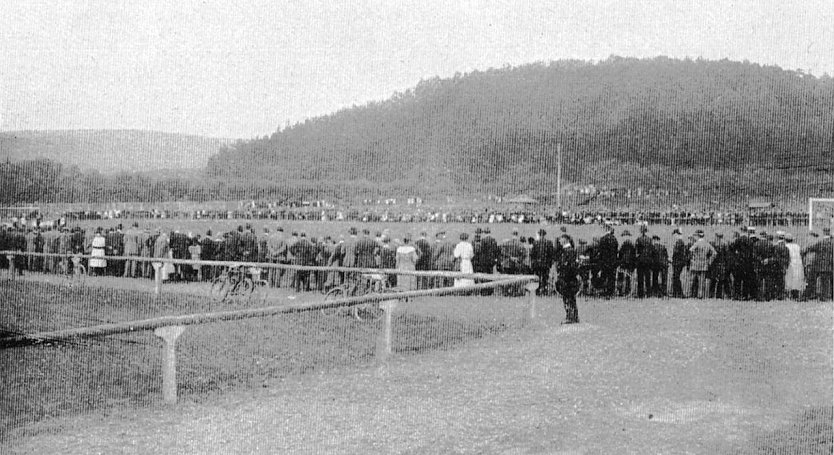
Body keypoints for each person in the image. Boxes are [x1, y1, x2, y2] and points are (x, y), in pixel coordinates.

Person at [555, 234, 580, 324]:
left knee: (567, 298)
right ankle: (574, 316)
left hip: (567, 278)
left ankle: (570, 316)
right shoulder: (570, 251)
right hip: (569, 278)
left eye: (561, 240)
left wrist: (563, 274)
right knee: (571, 298)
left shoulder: (568, 251)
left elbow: (568, 266)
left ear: (565, 240)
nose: (560, 242)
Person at [688, 229, 716, 299]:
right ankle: (700, 295)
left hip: (696, 264)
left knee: (692, 280)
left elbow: (690, 250)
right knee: (701, 281)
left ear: (698, 236)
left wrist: (693, 258)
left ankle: (690, 294)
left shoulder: (697, 243)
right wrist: (709, 261)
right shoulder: (707, 243)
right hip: (704, 264)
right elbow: (715, 253)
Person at [529, 229, 555, 296]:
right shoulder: (549, 243)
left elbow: (532, 254)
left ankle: (538, 291)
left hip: (537, 264)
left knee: (538, 277)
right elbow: (551, 254)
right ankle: (544, 290)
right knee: (545, 278)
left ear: (539, 235)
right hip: (546, 264)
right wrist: (550, 262)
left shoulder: (535, 243)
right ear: (545, 235)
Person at [784, 233, 806, 300]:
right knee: (797, 279)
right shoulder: (797, 246)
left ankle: (790, 295)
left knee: (789, 279)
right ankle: (796, 294)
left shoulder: (786, 246)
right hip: (798, 264)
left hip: (791, 264)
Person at [634, 224, 654, 298]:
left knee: (640, 278)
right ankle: (648, 293)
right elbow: (652, 250)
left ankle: (640, 294)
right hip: (648, 260)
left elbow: (636, 251)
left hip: (641, 260)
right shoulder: (650, 240)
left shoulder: (638, 239)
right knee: (648, 277)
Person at [670, 228, 688, 298]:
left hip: (678, 262)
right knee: (675, 277)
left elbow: (676, 252)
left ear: (676, 234)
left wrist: (672, 258)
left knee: (676, 277)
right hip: (679, 262)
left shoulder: (679, 242)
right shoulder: (680, 241)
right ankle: (676, 293)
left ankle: (678, 293)